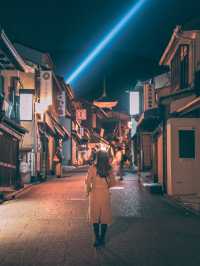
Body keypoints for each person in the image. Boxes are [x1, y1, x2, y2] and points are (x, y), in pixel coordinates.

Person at [85, 151, 114, 247]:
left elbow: (88, 182)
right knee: (104, 217)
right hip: (105, 195)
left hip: (95, 195)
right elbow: (113, 183)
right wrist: (106, 186)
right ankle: (102, 239)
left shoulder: (92, 168)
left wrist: (88, 190)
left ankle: (97, 239)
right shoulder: (109, 169)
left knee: (95, 217)